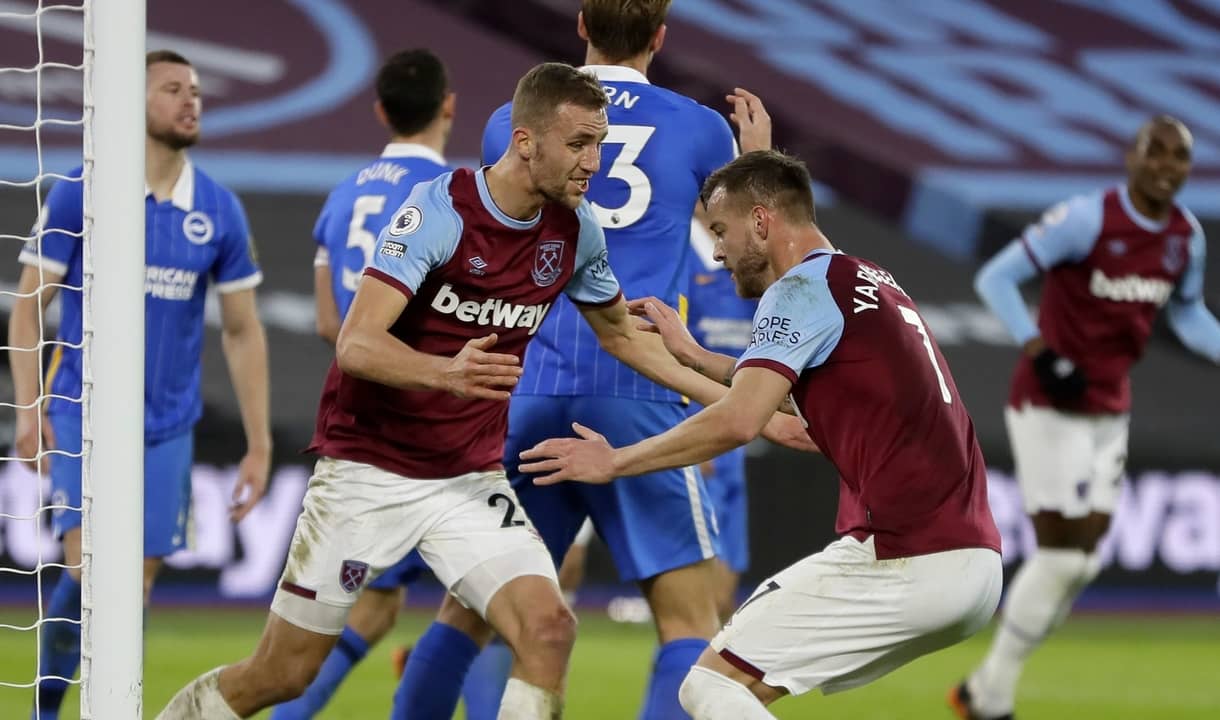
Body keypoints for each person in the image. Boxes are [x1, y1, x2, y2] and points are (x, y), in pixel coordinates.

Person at [157, 62, 807, 720]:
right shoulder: (440, 211)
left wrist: (736, 405)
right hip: (368, 471)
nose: (595, 163)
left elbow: (624, 337)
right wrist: (447, 373)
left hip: (467, 477)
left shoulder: (575, 231)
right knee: (283, 674)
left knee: (549, 628)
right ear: (526, 143)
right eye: (580, 145)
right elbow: (355, 343)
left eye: (600, 144)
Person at [519, 150, 1004, 720]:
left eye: (721, 231)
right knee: (738, 687)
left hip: (908, 555)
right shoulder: (864, 280)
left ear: (762, 221)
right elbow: (788, 427)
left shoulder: (800, 290)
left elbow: (741, 422)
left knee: (708, 687)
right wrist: (696, 359)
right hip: (971, 564)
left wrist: (614, 462)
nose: (719, 251)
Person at [395, 2, 771, 716]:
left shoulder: (514, 122)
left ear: (579, 27)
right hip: (638, 384)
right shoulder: (699, 126)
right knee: (690, 623)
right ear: (660, 37)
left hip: (526, 384)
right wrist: (756, 161)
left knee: (467, 612)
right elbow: (748, 243)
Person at [9, 50, 271, 720]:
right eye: (173, 89)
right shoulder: (80, 190)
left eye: (198, 91)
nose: (192, 101)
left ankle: (107, 707)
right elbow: (27, 304)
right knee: (91, 576)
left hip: (169, 429)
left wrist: (260, 442)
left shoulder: (217, 210)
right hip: (81, 415)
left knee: (134, 588)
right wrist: (28, 408)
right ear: (133, 103)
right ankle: (45, 709)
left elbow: (243, 331)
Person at [950, 115, 1220, 720]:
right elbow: (997, 278)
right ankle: (990, 695)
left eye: (1180, 158)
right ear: (1131, 157)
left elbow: (1190, 316)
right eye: (1156, 153)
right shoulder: (1086, 218)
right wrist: (1037, 348)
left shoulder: (1184, 237)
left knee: (1085, 560)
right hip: (1048, 403)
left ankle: (983, 690)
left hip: (1109, 407)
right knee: (1065, 556)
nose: (1167, 167)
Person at [269, 48, 463, 720]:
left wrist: (375, 354)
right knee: (495, 605)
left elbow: (332, 321)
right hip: (443, 430)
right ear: (449, 106)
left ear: (380, 109)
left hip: (359, 427)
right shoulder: (461, 196)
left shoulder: (344, 194)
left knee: (369, 608)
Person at [685, 220, 759, 621]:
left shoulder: (754, 264)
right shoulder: (682, 257)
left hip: (736, 443)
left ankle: (712, 676)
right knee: (701, 602)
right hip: (702, 435)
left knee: (726, 592)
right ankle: (688, 677)